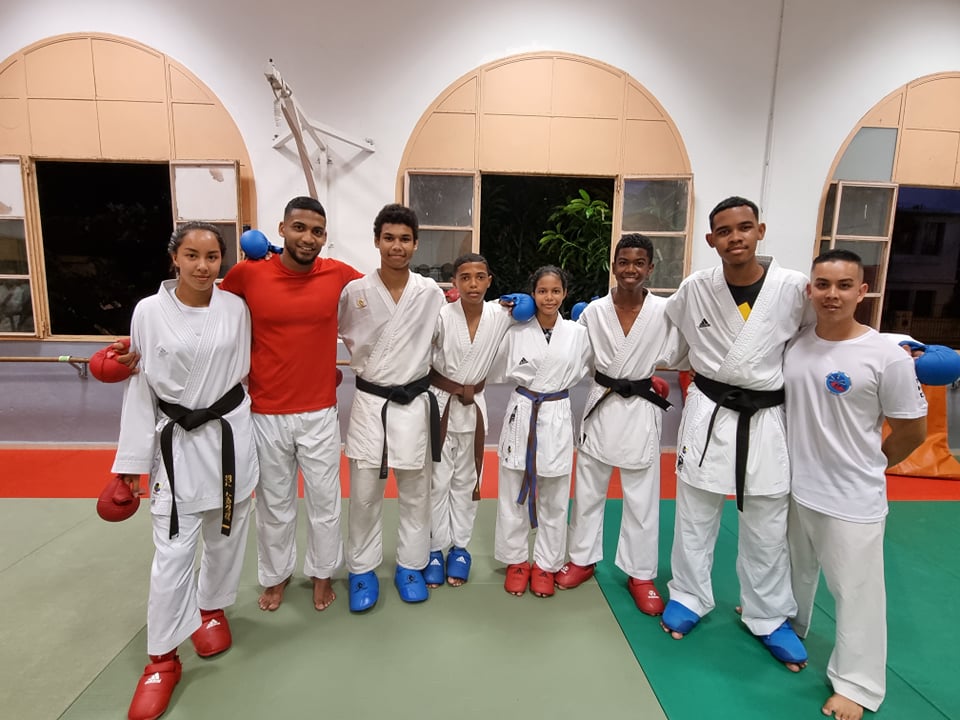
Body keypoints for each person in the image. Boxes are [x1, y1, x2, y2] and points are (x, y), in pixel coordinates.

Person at [112, 223, 258, 720]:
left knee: (227, 533)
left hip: (230, 436)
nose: (202, 266)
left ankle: (210, 607)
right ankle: (162, 659)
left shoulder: (235, 308)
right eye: (192, 255)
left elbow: (247, 372)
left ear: (222, 261)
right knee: (173, 553)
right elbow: (139, 387)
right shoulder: (148, 312)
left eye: (212, 257)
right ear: (174, 257)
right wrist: (129, 465)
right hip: (177, 441)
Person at [662, 196, 811, 670]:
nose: (736, 238)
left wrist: (892, 349)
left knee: (767, 522)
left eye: (744, 227)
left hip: (765, 416)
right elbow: (667, 333)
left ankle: (768, 615)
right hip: (709, 410)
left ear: (760, 231)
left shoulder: (794, 288)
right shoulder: (696, 288)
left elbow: (821, 340)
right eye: (724, 231)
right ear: (711, 240)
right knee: (695, 512)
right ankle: (688, 595)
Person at [784, 249, 926, 720]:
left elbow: (912, 430)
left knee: (857, 593)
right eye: (823, 285)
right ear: (810, 290)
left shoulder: (887, 356)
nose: (833, 294)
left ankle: (857, 684)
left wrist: (871, 465)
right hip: (796, 485)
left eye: (844, 285)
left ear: (862, 292)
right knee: (794, 569)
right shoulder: (797, 344)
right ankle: (789, 624)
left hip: (853, 494)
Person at [220, 196, 362, 612]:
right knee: (274, 504)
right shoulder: (248, 274)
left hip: (320, 412)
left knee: (325, 502)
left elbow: (390, 294)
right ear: (281, 229)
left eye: (317, 231)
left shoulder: (339, 275)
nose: (308, 238)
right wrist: (141, 342)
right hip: (265, 412)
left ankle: (322, 574)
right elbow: (209, 314)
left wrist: (456, 300)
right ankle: (276, 576)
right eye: (299, 228)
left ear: (325, 236)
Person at [555, 234, 684, 614]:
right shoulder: (594, 312)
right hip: (603, 404)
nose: (631, 269)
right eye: (624, 262)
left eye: (639, 262)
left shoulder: (664, 311)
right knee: (588, 490)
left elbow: (679, 351)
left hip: (641, 409)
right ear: (613, 266)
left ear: (650, 268)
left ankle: (640, 573)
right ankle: (582, 558)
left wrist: (649, 376)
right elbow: (577, 357)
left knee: (642, 497)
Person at [338, 203, 446, 611]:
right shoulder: (355, 292)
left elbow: (446, 335)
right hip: (371, 404)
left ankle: (411, 566)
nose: (396, 246)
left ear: (415, 244)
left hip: (414, 403)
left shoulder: (430, 293)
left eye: (404, 239)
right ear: (376, 241)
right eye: (389, 238)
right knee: (365, 493)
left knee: (417, 493)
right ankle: (362, 570)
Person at [492, 265, 592, 598]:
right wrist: (501, 308)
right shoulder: (515, 329)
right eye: (542, 291)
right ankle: (517, 561)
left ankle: (547, 564)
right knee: (513, 489)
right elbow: (490, 347)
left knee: (555, 493)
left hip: (556, 412)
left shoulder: (577, 333)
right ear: (532, 294)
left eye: (555, 291)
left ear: (565, 294)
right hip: (523, 409)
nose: (549, 297)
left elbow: (600, 363)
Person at [425, 253, 516, 588]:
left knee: (467, 481)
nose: (473, 284)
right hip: (440, 405)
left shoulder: (501, 315)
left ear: (489, 281)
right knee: (436, 481)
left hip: (473, 405)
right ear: (454, 282)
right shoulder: (440, 316)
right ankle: (435, 548)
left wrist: (525, 304)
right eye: (465, 277)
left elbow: (540, 315)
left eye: (480, 277)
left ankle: (460, 548)